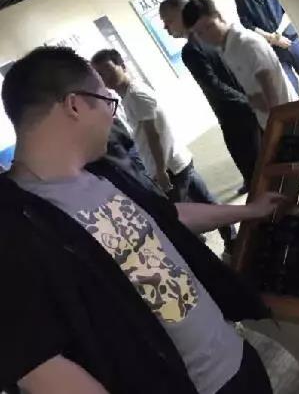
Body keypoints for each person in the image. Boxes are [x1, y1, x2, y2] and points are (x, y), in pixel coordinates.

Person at [0, 46, 284, 394]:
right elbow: (41, 366)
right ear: (75, 105)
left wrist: (248, 211)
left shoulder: (104, 173)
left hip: (235, 359)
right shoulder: (15, 223)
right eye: (107, 101)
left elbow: (167, 218)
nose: (111, 115)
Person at [90, 49, 235, 251]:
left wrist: (160, 170)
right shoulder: (129, 95)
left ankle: (209, 248)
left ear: (122, 65)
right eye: (99, 73)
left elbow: (154, 135)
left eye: (107, 69)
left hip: (170, 167)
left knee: (180, 218)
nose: (105, 77)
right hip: (177, 160)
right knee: (205, 202)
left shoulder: (136, 95)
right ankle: (232, 239)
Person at [159, 0, 260, 195]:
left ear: (182, 14)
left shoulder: (191, 49)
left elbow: (214, 85)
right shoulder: (213, 37)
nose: (165, 27)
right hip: (248, 104)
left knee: (254, 166)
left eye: (168, 21)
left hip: (236, 113)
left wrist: (248, 103)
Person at [182, 0, 299, 129]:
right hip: (274, 122)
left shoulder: (246, 43)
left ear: (219, 17)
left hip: (287, 122)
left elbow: (270, 91)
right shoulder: (225, 49)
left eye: (209, 26)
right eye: (200, 33)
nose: (207, 35)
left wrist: (257, 106)